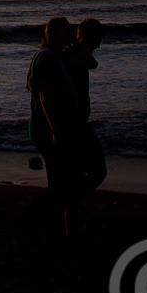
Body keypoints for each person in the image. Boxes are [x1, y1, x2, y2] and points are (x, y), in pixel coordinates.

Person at [27, 16, 83, 235]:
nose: (70, 36)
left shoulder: (45, 56)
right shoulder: (49, 58)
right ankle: (44, 221)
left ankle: (55, 226)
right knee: (62, 182)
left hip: (45, 127)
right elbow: (45, 97)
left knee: (59, 180)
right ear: (57, 34)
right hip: (49, 128)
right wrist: (56, 130)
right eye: (67, 32)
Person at [67, 18, 108, 194]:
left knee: (79, 173)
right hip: (74, 125)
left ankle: (71, 204)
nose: (98, 46)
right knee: (97, 171)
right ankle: (71, 200)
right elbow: (93, 64)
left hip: (76, 123)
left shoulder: (74, 53)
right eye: (97, 40)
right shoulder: (74, 55)